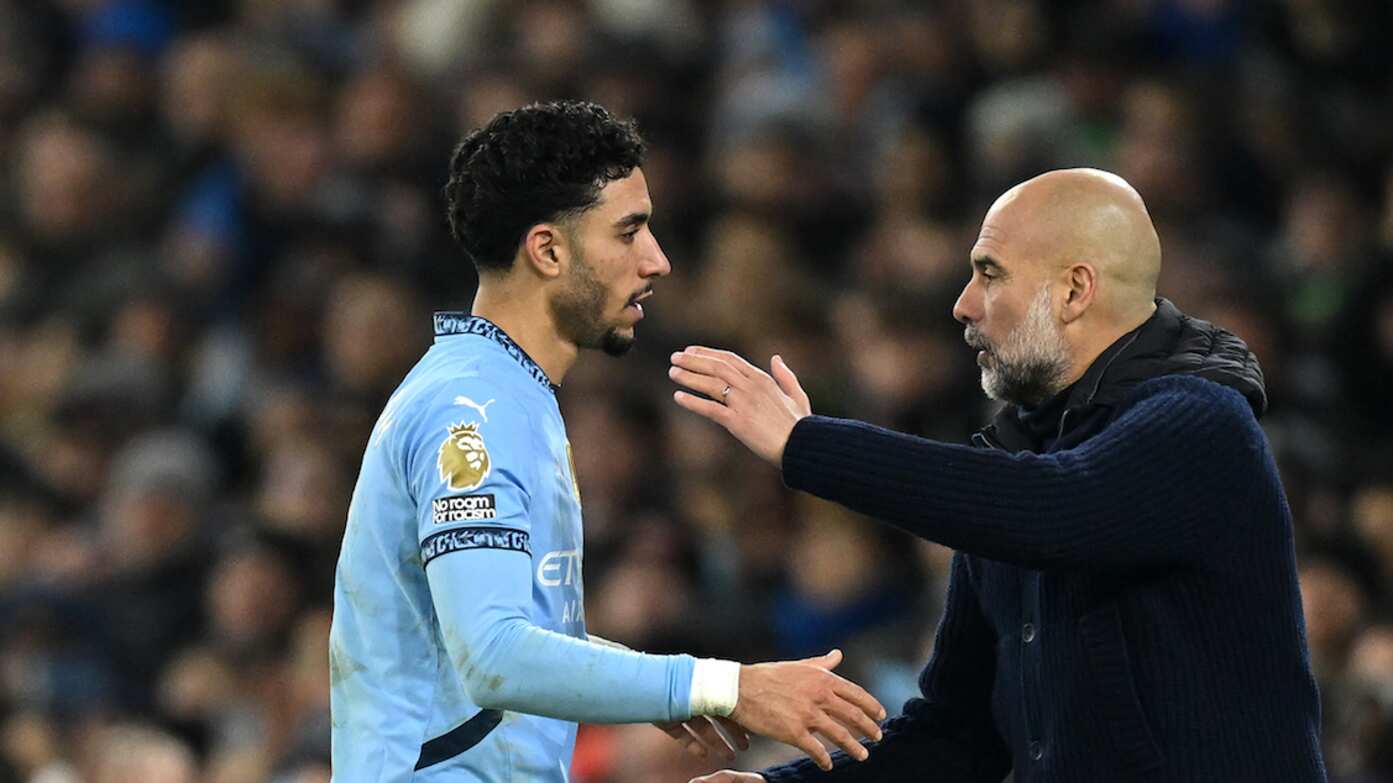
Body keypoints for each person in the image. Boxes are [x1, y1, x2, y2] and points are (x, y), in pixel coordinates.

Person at [671, 168, 1328, 782]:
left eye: (989, 273)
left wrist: (806, 443)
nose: (962, 305)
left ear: (1074, 290)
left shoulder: (1200, 421)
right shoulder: (1018, 465)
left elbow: (1057, 510)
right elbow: (957, 733)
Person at [327, 100, 885, 782]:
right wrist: (726, 686)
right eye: (629, 232)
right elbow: (492, 654)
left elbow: (504, 631)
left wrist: (655, 686)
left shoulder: (505, 393)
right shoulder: (471, 411)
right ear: (548, 251)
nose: (658, 261)